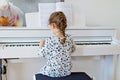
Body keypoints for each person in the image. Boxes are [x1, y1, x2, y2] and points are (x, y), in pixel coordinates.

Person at [38, 11, 75, 78]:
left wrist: (41, 45)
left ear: (53, 25)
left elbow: (41, 54)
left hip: (52, 73)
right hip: (66, 72)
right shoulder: (70, 38)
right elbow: (73, 50)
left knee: (40, 71)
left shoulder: (50, 40)